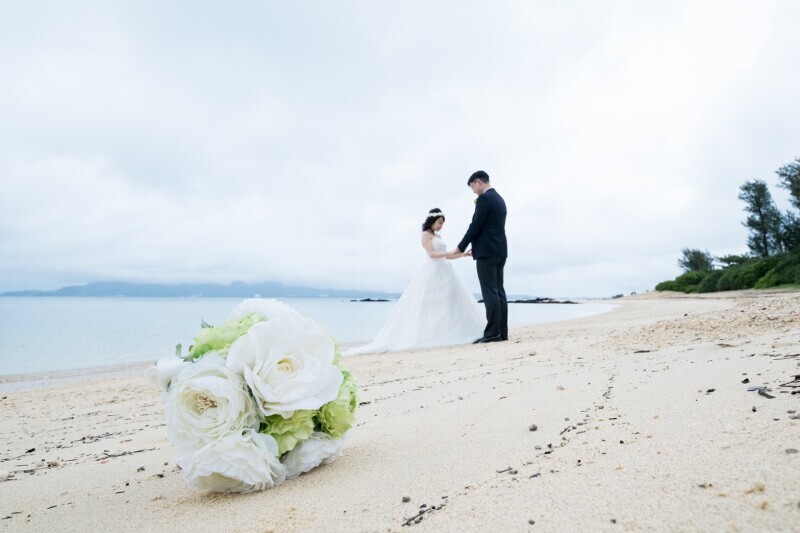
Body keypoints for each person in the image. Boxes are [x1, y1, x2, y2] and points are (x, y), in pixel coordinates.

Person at [344, 209, 484, 355]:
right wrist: (450, 252)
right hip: (433, 272)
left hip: (446, 272)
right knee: (430, 306)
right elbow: (432, 254)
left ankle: (449, 331)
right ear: (432, 221)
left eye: (442, 224)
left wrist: (462, 255)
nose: (441, 226)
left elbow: (446, 257)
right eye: (439, 223)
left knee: (450, 304)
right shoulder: (425, 235)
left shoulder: (438, 236)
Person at [451, 170, 508, 343]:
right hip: (500, 250)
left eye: (472, 187)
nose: (474, 191)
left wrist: (460, 247)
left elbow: (475, 225)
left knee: (489, 292)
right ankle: (502, 332)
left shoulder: (484, 199)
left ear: (478, 182)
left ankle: (492, 334)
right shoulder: (500, 199)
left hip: (487, 252)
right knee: (499, 292)